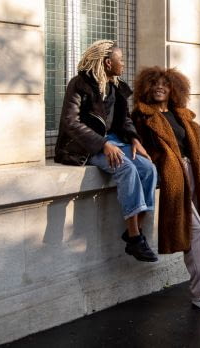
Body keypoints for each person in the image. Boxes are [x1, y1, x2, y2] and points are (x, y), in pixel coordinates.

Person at [131, 66, 200, 312]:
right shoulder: (142, 117)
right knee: (195, 230)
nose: (159, 87)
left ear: (174, 88)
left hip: (194, 172)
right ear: (146, 88)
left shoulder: (181, 114)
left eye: (165, 83)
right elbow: (141, 148)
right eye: (154, 84)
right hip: (174, 175)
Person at [54, 40, 158, 262]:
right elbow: (70, 122)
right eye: (121, 60)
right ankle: (135, 236)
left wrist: (134, 139)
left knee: (148, 168)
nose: (124, 64)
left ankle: (134, 235)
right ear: (108, 62)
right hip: (86, 146)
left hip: (114, 141)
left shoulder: (115, 87)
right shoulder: (79, 84)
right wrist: (102, 144)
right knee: (126, 168)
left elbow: (125, 120)